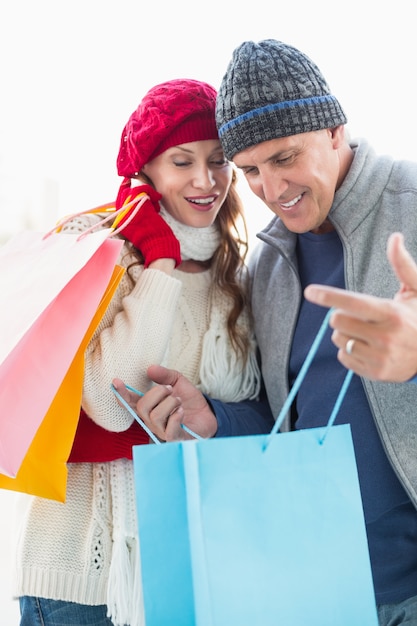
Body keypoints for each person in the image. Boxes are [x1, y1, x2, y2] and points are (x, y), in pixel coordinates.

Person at [120, 40, 417, 625]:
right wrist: (215, 420)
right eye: (251, 170)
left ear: (334, 130)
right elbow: (286, 417)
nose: (271, 190)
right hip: (322, 587)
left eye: (285, 158)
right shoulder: (270, 264)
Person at [13, 78, 273, 626]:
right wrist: (159, 259)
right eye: (182, 162)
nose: (207, 181)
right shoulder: (96, 249)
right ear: (146, 169)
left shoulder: (236, 275)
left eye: (220, 160)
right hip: (80, 582)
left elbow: (257, 412)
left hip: (192, 571)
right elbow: (110, 405)